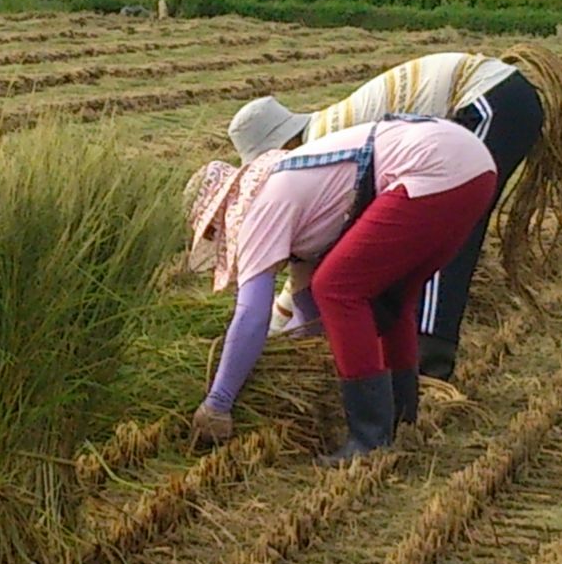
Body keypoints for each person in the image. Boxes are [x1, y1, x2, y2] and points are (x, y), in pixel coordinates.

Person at [223, 46, 562, 381]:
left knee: (450, 228)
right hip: (501, 99)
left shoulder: (319, 144)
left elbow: (324, 257)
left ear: (280, 145)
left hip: (488, 101)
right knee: (424, 235)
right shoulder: (322, 135)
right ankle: (411, 356)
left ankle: (429, 359)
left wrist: (271, 333)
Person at [188, 115, 496, 464]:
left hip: (431, 168)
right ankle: (401, 418)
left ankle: (368, 440)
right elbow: (309, 316)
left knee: (337, 288)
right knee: (388, 299)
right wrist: (294, 359)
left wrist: (219, 402)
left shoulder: (260, 208)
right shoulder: (292, 189)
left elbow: (251, 315)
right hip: (474, 167)